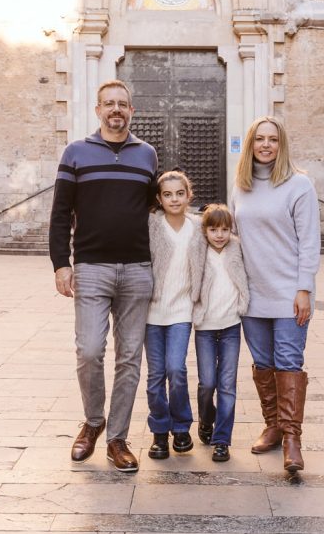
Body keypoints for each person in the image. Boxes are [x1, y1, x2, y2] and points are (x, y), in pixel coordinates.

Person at [49, 79, 158, 473]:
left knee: (129, 358)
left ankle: (117, 438)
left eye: (122, 104)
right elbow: (60, 212)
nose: (116, 110)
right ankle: (93, 422)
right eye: (109, 104)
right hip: (92, 268)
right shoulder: (76, 152)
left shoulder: (148, 155)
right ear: (98, 110)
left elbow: (153, 212)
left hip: (137, 270)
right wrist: (61, 263)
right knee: (90, 350)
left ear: (132, 111)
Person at [231, 116, 321, 472]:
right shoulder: (241, 186)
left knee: (288, 363)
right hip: (252, 293)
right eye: (259, 139)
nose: (266, 145)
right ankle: (273, 425)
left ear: (282, 145)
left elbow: (309, 242)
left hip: (287, 293)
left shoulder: (299, 185)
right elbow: (233, 236)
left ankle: (292, 438)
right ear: (251, 144)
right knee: (264, 365)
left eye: (273, 139)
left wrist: (304, 289)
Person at [144, 171, 204, 460]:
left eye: (179, 193)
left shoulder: (199, 227)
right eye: (167, 194)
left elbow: (225, 245)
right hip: (151, 312)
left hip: (181, 310)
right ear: (159, 198)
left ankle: (181, 426)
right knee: (156, 375)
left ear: (188, 195)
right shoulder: (151, 225)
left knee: (176, 370)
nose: (174, 199)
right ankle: (159, 431)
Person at [193, 203, 249, 463]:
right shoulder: (198, 251)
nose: (219, 235)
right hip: (205, 327)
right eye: (213, 229)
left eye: (224, 230)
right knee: (207, 383)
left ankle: (222, 439)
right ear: (205, 230)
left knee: (227, 385)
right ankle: (206, 418)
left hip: (230, 327)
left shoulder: (237, 248)